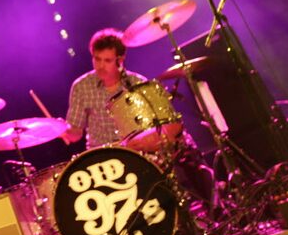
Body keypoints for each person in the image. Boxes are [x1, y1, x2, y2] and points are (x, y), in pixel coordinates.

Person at [59, 28, 215, 206]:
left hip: (139, 152)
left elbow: (160, 124)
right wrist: (62, 130)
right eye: (96, 59)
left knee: (181, 150)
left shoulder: (137, 83)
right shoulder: (81, 86)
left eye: (107, 60)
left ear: (120, 60)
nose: (100, 66)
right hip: (103, 160)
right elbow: (76, 132)